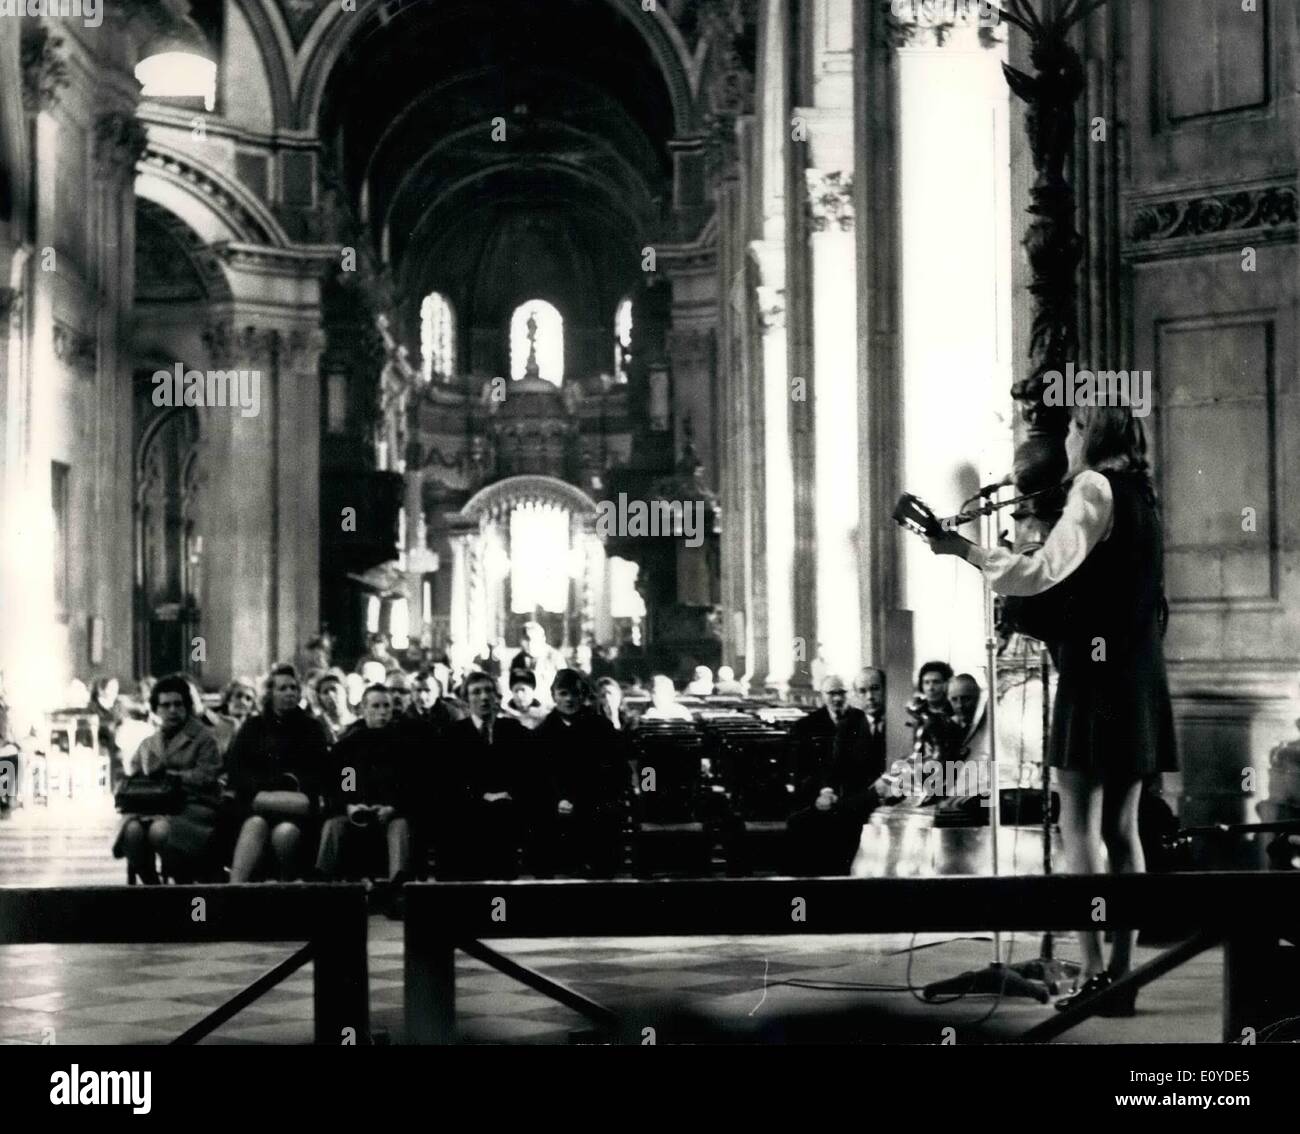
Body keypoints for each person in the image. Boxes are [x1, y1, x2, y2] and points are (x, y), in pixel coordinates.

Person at [929, 403, 1177, 1014]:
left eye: (1072, 426)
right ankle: (1122, 976)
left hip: (1095, 680)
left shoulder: (1094, 486)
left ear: (1091, 433)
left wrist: (962, 549)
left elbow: (1041, 572)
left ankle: (1093, 974)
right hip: (1140, 673)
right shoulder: (1145, 495)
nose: (1065, 435)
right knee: (1124, 831)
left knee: (1080, 832)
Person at [112, 674, 223, 883]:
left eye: (178, 704)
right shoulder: (149, 743)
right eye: (165, 705)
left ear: (187, 706)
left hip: (193, 806)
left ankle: (181, 879)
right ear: (156, 709)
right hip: (153, 805)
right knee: (131, 831)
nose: (172, 710)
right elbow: (133, 774)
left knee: (159, 831)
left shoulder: (204, 738)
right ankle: (152, 884)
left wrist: (172, 778)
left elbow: (208, 775)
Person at [225, 664, 331, 882]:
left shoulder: (312, 727)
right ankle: (234, 891)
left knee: (285, 833)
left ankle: (284, 886)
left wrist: (284, 787)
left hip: (296, 806)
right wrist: (268, 785)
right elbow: (237, 769)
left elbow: (321, 772)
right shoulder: (253, 727)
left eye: (294, 688)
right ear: (270, 693)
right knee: (255, 824)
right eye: (283, 688)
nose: (290, 693)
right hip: (259, 803)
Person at [317, 685, 416, 905]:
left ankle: (397, 890)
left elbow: (409, 787)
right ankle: (321, 888)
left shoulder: (403, 747)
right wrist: (351, 806)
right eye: (376, 706)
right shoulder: (349, 746)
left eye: (386, 706)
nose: (382, 712)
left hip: (391, 813)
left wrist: (392, 807)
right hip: (357, 813)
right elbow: (345, 784)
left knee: (400, 827)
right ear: (364, 708)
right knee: (333, 826)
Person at [533, 669, 630, 877]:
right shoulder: (542, 733)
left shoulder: (601, 729)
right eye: (563, 693)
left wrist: (587, 799)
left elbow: (618, 771)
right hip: (554, 807)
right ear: (554, 696)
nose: (569, 699)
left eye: (575, 694)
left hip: (594, 804)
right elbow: (537, 777)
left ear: (583, 696)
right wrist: (557, 800)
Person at [439, 671, 532, 879]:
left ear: (497, 697)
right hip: (468, 810)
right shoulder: (453, 735)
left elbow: (526, 772)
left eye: (489, 691)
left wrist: (508, 793)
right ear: (466, 699)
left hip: (508, 808)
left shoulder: (513, 730)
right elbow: (450, 781)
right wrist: (482, 796)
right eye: (476, 692)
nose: (483, 697)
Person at [786, 675, 865, 874]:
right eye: (832, 693)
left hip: (853, 793)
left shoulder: (862, 720)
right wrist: (821, 792)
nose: (837, 698)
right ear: (822, 696)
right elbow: (801, 769)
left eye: (842, 693)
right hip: (816, 794)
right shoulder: (806, 726)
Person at [90, 677, 126, 790]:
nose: (115, 691)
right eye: (111, 688)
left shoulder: (119, 706)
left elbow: (124, 722)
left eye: (116, 688)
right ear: (101, 690)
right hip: (99, 742)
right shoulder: (93, 707)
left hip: (118, 742)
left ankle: (120, 786)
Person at [314, 669, 355, 744]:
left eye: (334, 689)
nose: (331, 695)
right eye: (325, 692)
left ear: (346, 691)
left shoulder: (358, 724)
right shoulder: (316, 727)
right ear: (319, 698)